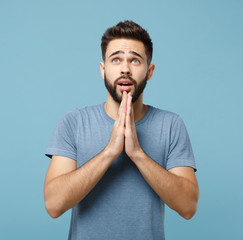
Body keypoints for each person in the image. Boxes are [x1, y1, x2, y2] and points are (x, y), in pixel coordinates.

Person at [44, 20, 199, 240]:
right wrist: (109, 152)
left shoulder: (171, 125)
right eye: (116, 59)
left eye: (135, 60)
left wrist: (137, 154)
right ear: (103, 69)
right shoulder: (74, 122)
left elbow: (188, 207)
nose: (125, 68)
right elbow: (53, 205)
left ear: (150, 71)